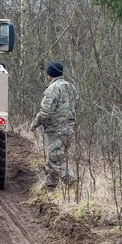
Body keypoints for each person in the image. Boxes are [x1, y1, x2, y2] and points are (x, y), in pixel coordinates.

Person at [35, 61, 78, 189]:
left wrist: (34, 124)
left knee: (55, 160)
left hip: (56, 130)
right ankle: (50, 186)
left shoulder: (52, 89)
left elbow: (45, 112)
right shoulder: (71, 87)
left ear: (49, 74)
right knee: (54, 157)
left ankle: (73, 183)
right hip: (69, 128)